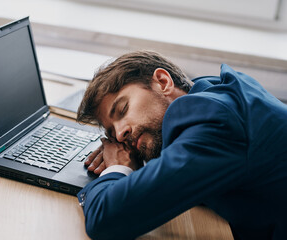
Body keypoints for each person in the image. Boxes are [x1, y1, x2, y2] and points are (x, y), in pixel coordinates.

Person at [75, 50, 287, 240]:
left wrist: (116, 168)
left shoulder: (215, 122)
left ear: (163, 81)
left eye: (123, 109)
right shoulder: (213, 91)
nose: (121, 135)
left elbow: (105, 221)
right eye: (112, 133)